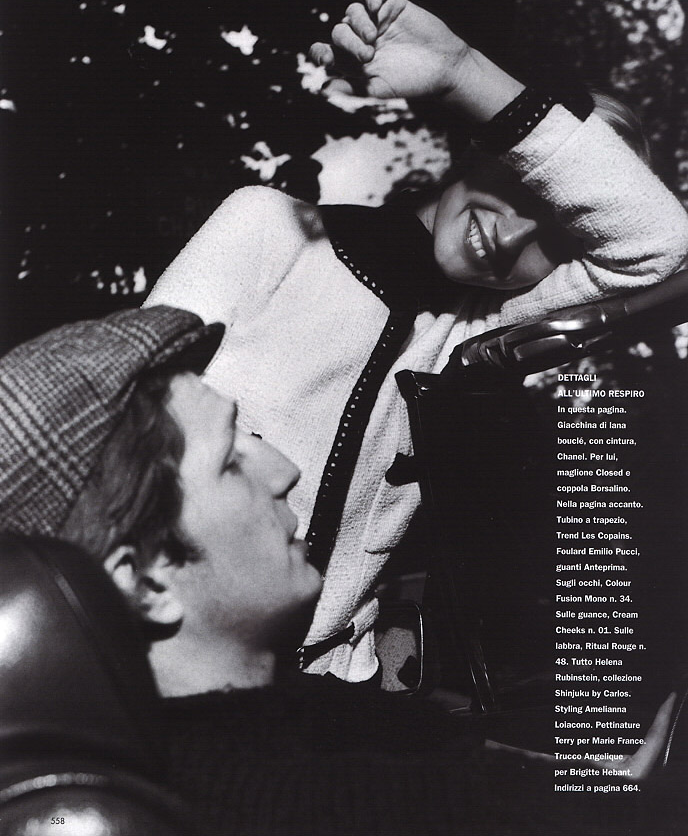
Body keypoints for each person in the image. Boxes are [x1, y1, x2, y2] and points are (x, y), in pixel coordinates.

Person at [144, 0, 688, 683]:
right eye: (529, 191)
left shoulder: (480, 330)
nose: (512, 235)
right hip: (175, 666)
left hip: (339, 695)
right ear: (489, 146)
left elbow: (660, 244)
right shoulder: (267, 228)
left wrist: (463, 71)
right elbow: (120, 430)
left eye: (558, 239)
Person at [0, 305, 680, 836]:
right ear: (146, 581)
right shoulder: (350, 810)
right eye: (231, 462)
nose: (286, 470)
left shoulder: (331, 731)